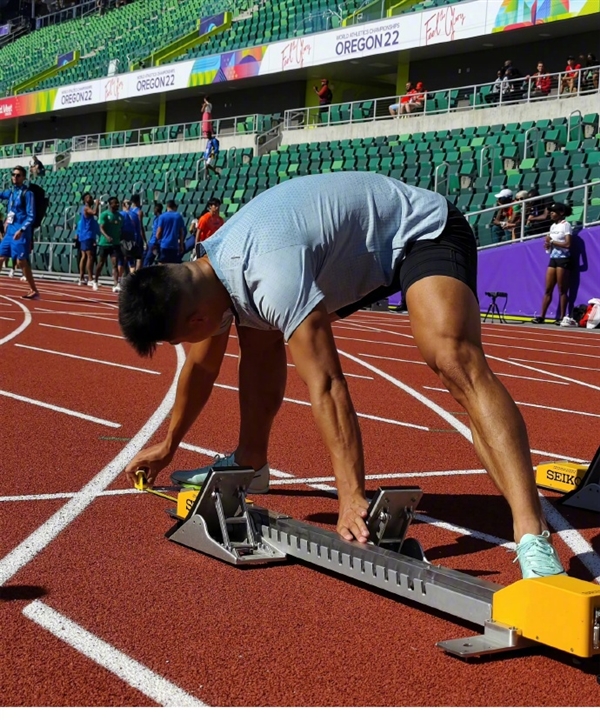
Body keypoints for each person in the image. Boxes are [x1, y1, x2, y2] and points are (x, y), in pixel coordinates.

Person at [119, 171, 566, 581]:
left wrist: (351, 495)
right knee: (257, 335)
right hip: (348, 252)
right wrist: (169, 445)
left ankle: (531, 536)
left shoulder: (269, 274)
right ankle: (251, 462)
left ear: (195, 321)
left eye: (179, 339)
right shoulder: (210, 269)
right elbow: (202, 366)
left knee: (452, 357)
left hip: (422, 231)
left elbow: (328, 384)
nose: (187, 347)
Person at [531, 202, 574, 326]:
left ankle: (561, 317)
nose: (551, 213)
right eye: (550, 211)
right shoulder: (553, 226)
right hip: (553, 258)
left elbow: (568, 244)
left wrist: (553, 242)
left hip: (563, 259)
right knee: (548, 289)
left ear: (561, 213)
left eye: (553, 212)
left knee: (562, 290)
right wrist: (548, 244)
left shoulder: (566, 225)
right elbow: (552, 243)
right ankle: (541, 316)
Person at [0, 166, 39, 299]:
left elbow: (31, 215)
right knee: (0, 257)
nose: (15, 177)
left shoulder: (27, 194)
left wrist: (21, 230)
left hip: (20, 232)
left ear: (23, 177)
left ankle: (34, 290)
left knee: (21, 261)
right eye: (13, 175)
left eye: (18, 175)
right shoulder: (11, 192)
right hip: (9, 232)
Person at [95, 196, 123, 292]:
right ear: (110, 204)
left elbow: (120, 229)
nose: (117, 204)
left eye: (118, 202)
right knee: (101, 263)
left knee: (114, 264)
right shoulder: (104, 214)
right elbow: (101, 228)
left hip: (115, 244)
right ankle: (95, 281)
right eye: (115, 203)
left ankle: (116, 284)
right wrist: (107, 237)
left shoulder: (120, 216)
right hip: (104, 244)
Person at [77, 192, 100, 286]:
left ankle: (81, 277)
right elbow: (95, 213)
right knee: (89, 256)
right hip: (87, 235)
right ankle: (90, 278)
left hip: (85, 235)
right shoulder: (86, 208)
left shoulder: (85, 208)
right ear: (85, 200)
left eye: (91, 197)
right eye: (89, 198)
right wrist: (97, 204)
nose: (91, 199)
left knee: (84, 256)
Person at [128, 194, 146, 271]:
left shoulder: (128, 211)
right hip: (137, 236)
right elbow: (141, 226)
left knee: (130, 256)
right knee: (139, 257)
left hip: (129, 235)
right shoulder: (139, 212)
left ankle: (131, 273)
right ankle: (137, 274)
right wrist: (145, 240)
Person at [142, 202, 163, 268]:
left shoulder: (161, 219)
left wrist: (156, 241)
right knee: (145, 258)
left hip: (155, 243)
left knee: (148, 260)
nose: (153, 210)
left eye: (155, 209)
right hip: (151, 242)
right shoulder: (155, 218)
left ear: (157, 210)